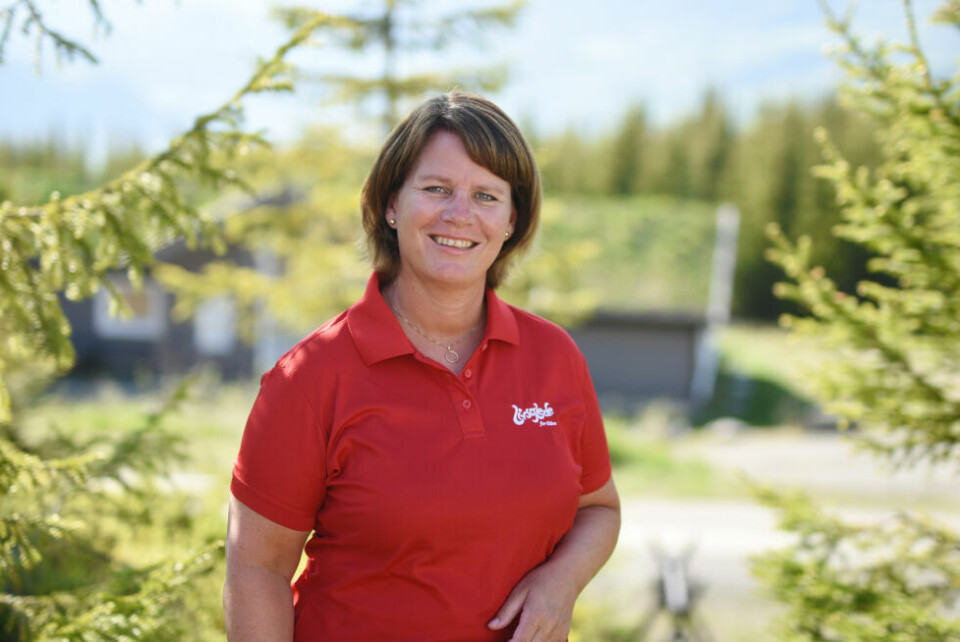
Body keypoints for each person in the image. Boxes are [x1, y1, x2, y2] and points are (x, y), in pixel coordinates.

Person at [223, 90, 620, 642]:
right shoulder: (310, 378)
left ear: (511, 220)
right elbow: (257, 568)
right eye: (436, 189)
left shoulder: (555, 358)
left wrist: (561, 582)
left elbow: (599, 510)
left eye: (486, 195)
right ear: (391, 205)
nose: (460, 214)